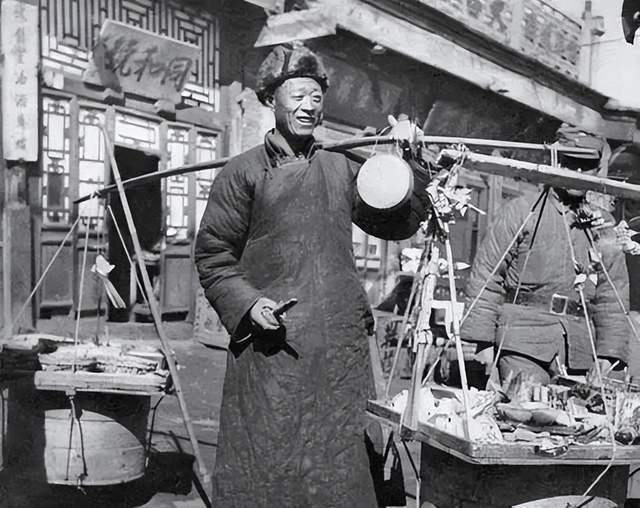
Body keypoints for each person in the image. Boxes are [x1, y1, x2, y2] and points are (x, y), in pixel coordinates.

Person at [194, 43, 427, 507]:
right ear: (271, 100)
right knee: (269, 459)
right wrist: (249, 304)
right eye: (297, 96)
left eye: (316, 97)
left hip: (338, 347)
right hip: (273, 346)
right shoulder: (243, 173)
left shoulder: (341, 165)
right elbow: (213, 255)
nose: (308, 106)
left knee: (338, 461)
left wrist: (407, 163)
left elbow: (398, 222)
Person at [459, 124, 631, 387]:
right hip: (522, 342)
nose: (578, 173)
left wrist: (609, 355)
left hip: (579, 349)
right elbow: (486, 277)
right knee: (527, 403)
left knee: (578, 411)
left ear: (597, 170)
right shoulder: (520, 212)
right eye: (570, 163)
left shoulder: (602, 226)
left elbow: (612, 295)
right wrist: (482, 342)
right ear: (556, 162)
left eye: (586, 166)